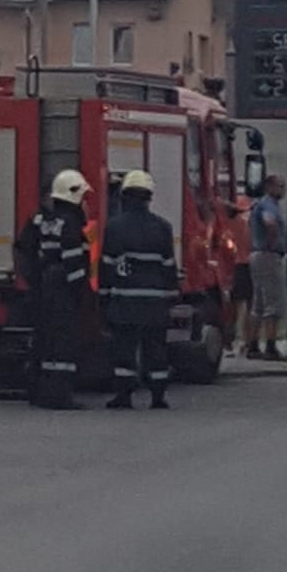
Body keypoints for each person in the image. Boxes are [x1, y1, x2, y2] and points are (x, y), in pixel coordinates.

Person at [100, 169, 179, 410]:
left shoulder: (114, 227)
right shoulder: (163, 227)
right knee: (156, 349)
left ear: (124, 196)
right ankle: (158, 397)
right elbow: (169, 267)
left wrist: (103, 297)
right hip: (155, 302)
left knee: (124, 349)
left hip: (124, 301)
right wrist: (171, 295)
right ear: (149, 197)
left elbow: (107, 267)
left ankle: (124, 396)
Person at [15, 169, 93, 410]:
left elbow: (23, 248)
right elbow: (74, 262)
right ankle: (59, 395)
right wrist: (80, 293)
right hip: (63, 289)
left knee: (43, 339)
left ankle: (37, 391)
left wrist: (34, 278)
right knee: (63, 342)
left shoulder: (40, 219)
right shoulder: (70, 224)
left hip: (43, 286)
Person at [249, 174, 287, 360]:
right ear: (269, 186)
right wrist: (272, 243)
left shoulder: (259, 203)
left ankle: (253, 345)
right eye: (280, 186)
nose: (283, 190)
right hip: (268, 255)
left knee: (258, 303)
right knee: (272, 302)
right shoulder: (269, 204)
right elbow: (269, 222)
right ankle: (270, 347)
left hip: (257, 255)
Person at [226, 196, 253, 355]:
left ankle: (232, 340)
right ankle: (245, 340)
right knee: (248, 305)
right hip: (247, 264)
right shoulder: (248, 224)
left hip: (234, 265)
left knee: (235, 305)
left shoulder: (230, 223)